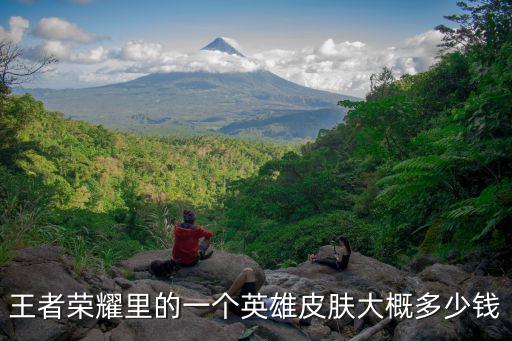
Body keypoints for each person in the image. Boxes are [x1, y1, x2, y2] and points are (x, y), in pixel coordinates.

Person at [179, 267, 310, 329]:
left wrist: (301, 320)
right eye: (299, 303)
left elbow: (300, 321)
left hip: (251, 307)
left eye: (299, 307)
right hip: (249, 304)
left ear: (298, 312)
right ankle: (184, 301)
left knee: (248, 272)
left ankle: (227, 295)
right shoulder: (285, 304)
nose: (298, 304)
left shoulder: (287, 315)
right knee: (214, 303)